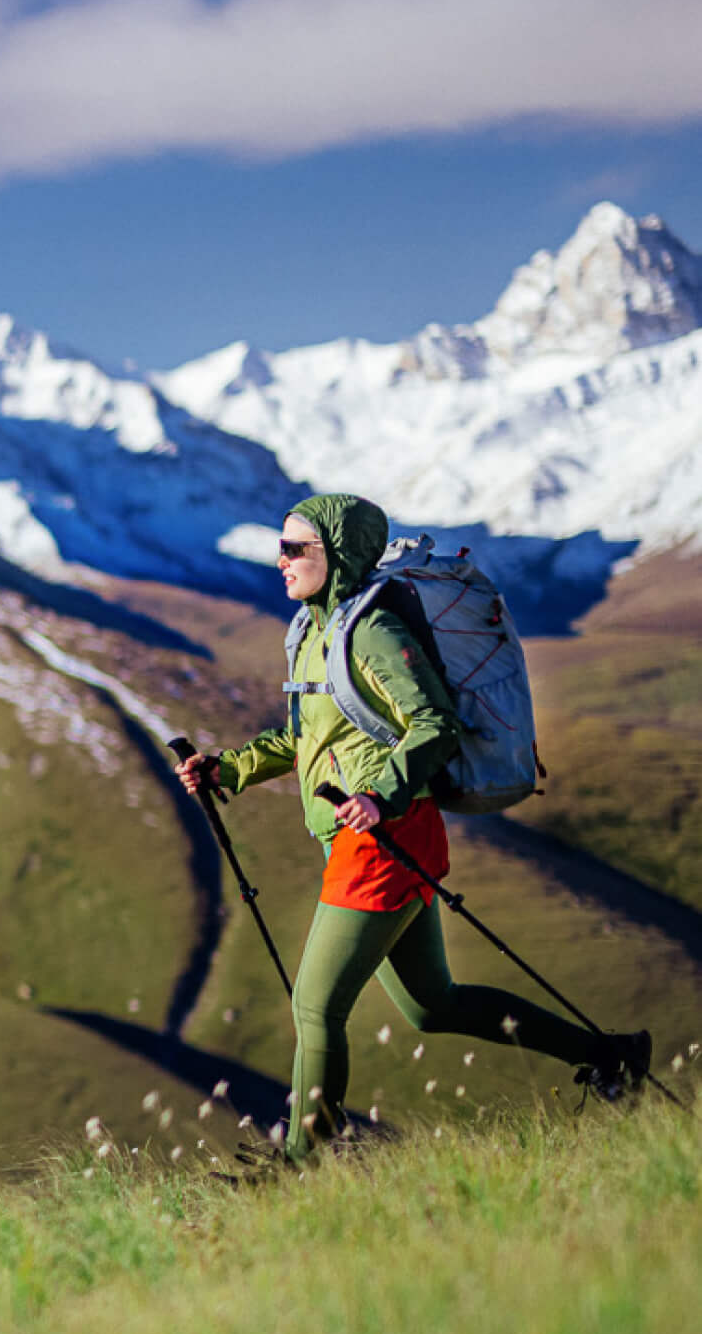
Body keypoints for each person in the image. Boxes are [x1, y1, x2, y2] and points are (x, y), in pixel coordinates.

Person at [179, 493, 651, 1165]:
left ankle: (303, 1165)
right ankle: (612, 1056)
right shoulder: (313, 631)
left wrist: (381, 795)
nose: (279, 561)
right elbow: (304, 737)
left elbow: (434, 723)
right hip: (369, 835)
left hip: (383, 840)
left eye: (294, 549)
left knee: (315, 1008)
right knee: (433, 1006)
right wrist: (227, 769)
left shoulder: (371, 632)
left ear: (336, 556)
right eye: (278, 547)